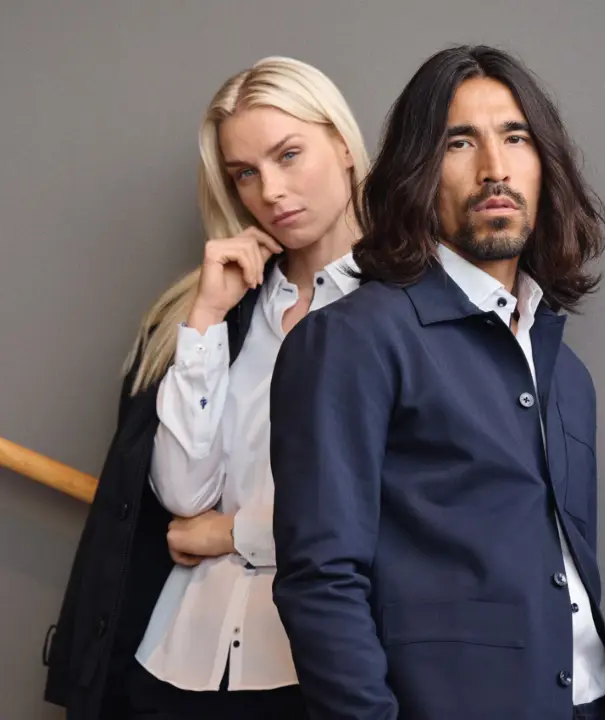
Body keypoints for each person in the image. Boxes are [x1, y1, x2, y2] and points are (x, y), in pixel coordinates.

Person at [269, 45, 605, 720]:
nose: (494, 167)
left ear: (545, 164)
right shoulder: (352, 339)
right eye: (460, 142)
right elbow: (320, 580)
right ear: (419, 171)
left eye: (516, 137)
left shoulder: (568, 373)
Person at [43, 56, 369, 720]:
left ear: (342, 144)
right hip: (172, 667)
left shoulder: (414, 309)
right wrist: (205, 318)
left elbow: (409, 510)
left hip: (316, 676)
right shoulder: (220, 308)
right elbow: (183, 495)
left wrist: (236, 534)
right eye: (245, 173)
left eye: (289, 155)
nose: (270, 190)